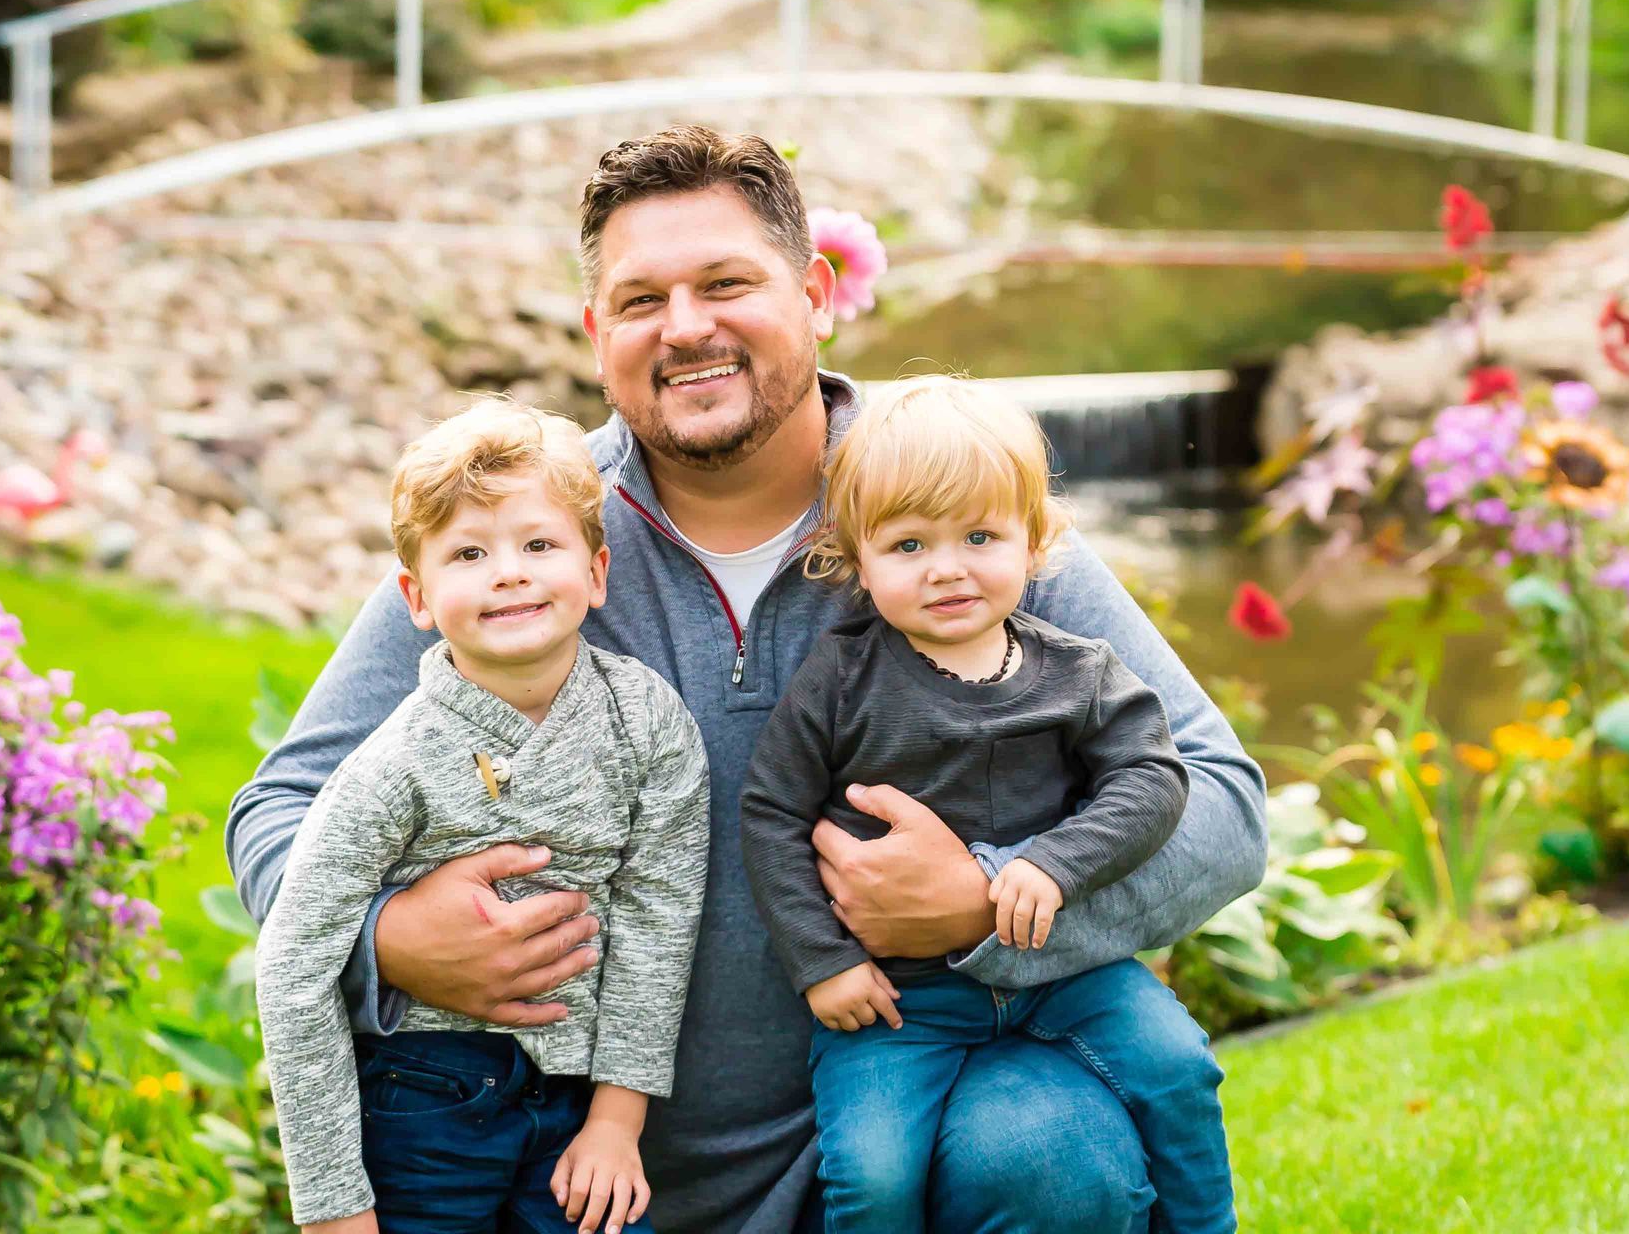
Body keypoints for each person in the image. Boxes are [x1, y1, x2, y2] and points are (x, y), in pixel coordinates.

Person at [228, 124, 1268, 1234]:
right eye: (640, 301)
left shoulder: (948, 507)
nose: (687, 328)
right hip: (591, 1177)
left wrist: (988, 899)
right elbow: (276, 815)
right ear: (594, 333)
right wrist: (389, 935)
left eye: (727, 282)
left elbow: (1221, 801)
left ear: (816, 292)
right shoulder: (527, 546)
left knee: (1050, 1152)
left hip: (920, 1102)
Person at [739, 376, 1234, 1233]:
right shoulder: (841, 683)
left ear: (1036, 543)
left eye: (979, 536)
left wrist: (1051, 863)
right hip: (899, 1002)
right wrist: (821, 959)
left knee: (1178, 1069)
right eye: (907, 546)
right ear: (857, 562)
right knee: (872, 1174)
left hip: (1065, 975)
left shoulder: (1079, 672)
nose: (947, 569)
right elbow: (772, 813)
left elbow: (1153, 778)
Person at [253, 399, 710, 1234]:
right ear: (416, 597)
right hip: (423, 1100)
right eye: (469, 553)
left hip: (578, 1107)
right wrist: (333, 1205)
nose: (509, 571)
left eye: (539, 544)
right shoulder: (391, 766)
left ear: (598, 572)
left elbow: (660, 915)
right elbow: (293, 965)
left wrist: (618, 1119)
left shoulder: (648, 722)